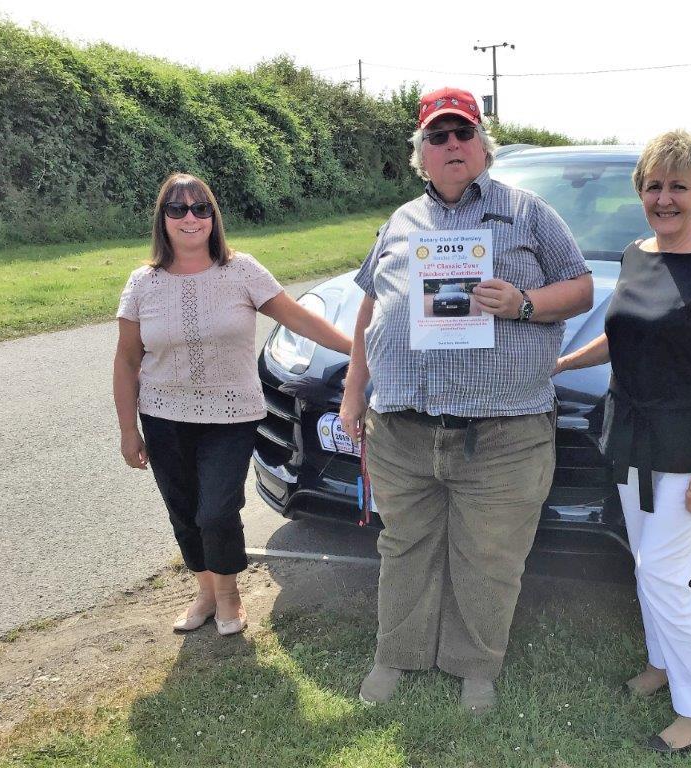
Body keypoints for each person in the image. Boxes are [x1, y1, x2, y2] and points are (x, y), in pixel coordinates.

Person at [339, 87, 593, 712]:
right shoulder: (400, 222)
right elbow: (372, 306)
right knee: (404, 548)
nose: (451, 145)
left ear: (483, 146)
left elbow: (583, 288)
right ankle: (397, 656)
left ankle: (475, 665)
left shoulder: (528, 212)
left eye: (463, 134)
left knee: (490, 556)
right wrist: (353, 393)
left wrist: (525, 304)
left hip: (504, 433)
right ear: (420, 154)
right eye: (437, 136)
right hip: (403, 428)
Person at [554, 130, 691, 753]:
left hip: (686, 445)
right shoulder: (637, 254)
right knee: (645, 560)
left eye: (678, 185)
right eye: (653, 185)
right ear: (640, 193)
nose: (664, 197)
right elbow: (624, 335)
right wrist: (563, 364)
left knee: (663, 572)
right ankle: (661, 662)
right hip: (633, 438)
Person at [113, 172, 351, 636]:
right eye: (177, 209)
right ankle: (205, 591)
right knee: (182, 509)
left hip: (230, 416)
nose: (190, 218)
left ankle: (229, 595)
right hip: (162, 418)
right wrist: (128, 430)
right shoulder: (142, 284)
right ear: (162, 219)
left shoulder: (241, 271)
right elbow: (126, 362)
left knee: (216, 509)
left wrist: (356, 349)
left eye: (200, 208)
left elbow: (298, 318)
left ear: (213, 217)